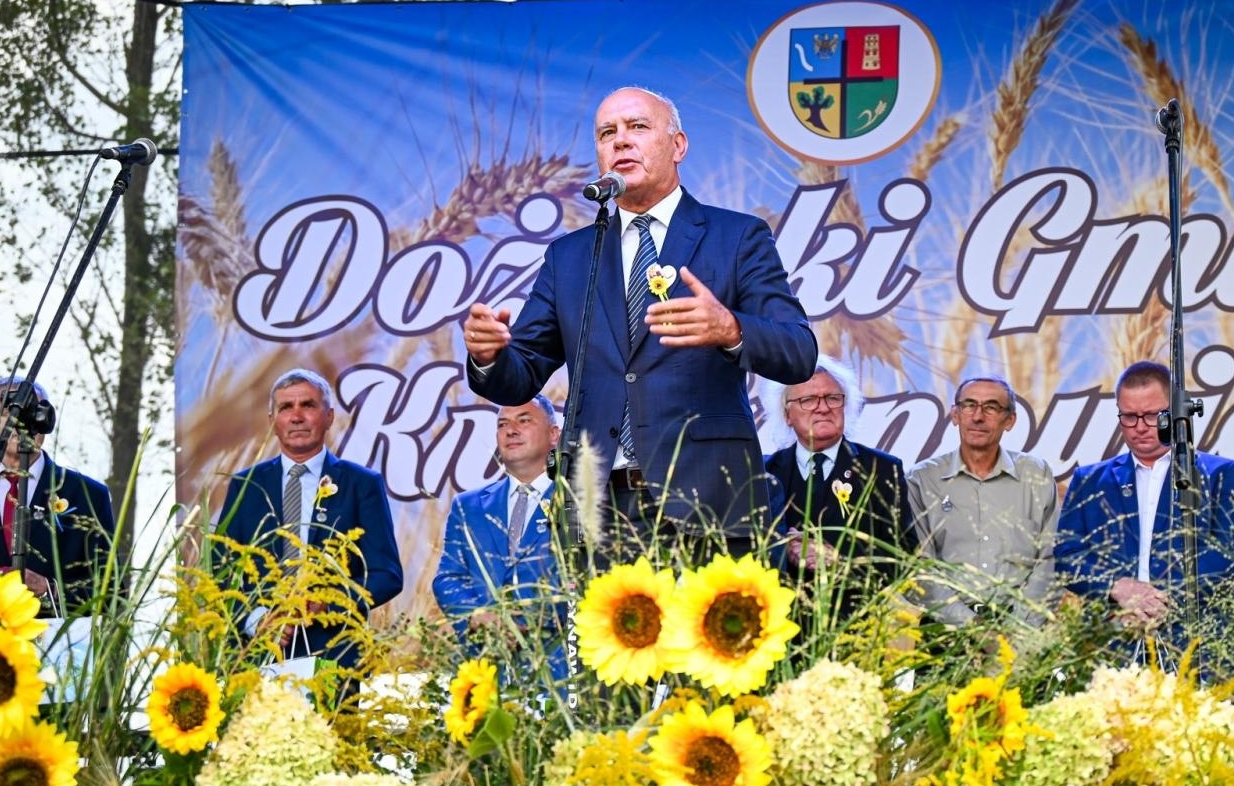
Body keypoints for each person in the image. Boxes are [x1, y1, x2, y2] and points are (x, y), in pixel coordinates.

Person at [462, 86, 816, 556]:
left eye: (638, 127)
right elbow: (521, 374)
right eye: (607, 132)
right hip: (598, 510)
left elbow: (799, 352)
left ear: (678, 145)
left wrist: (730, 329)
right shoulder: (570, 256)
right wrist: (489, 357)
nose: (621, 141)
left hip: (707, 502)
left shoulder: (736, 237)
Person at [214, 369, 403, 667]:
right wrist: (256, 620)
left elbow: (387, 574)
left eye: (308, 405)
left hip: (335, 657)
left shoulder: (362, 485)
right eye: (286, 407)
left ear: (329, 416)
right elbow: (220, 572)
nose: (297, 416)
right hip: (254, 658)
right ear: (272, 421)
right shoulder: (245, 486)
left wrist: (330, 600)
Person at [1053, 361, 1234, 637]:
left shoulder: (1220, 474)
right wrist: (1119, 588)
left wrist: (1156, 602)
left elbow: (1230, 554)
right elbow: (1066, 556)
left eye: (1151, 415)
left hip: (1198, 643)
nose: (1140, 426)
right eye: (1129, 416)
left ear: (1175, 413)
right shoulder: (1089, 481)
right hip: (1113, 640)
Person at [763, 357, 916, 623]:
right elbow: (747, 555)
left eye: (833, 398)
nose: (823, 408)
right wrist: (783, 551)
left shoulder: (882, 470)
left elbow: (904, 559)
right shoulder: (764, 474)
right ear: (787, 414)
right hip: (782, 631)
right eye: (808, 400)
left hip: (857, 630)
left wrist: (841, 561)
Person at [906, 377, 1057, 627]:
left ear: (1010, 420)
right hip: (945, 630)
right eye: (969, 405)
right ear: (955, 415)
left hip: (1023, 633)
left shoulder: (1036, 474)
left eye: (991, 407)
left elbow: (1049, 560)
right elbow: (919, 570)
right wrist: (973, 627)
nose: (978, 416)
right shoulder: (922, 479)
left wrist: (1017, 629)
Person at [433, 396, 569, 672]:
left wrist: (522, 622)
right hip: (484, 671)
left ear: (554, 435)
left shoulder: (578, 502)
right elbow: (447, 578)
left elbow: (587, 582)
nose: (511, 430)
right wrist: (478, 616)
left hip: (557, 673)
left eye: (524, 420)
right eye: (503, 424)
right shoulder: (468, 506)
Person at [0, 376, 117, 617]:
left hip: (57, 648)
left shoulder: (87, 496)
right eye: (10, 410)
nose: (20, 424)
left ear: (46, 420)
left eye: (32, 413)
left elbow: (112, 596)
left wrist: (48, 590)